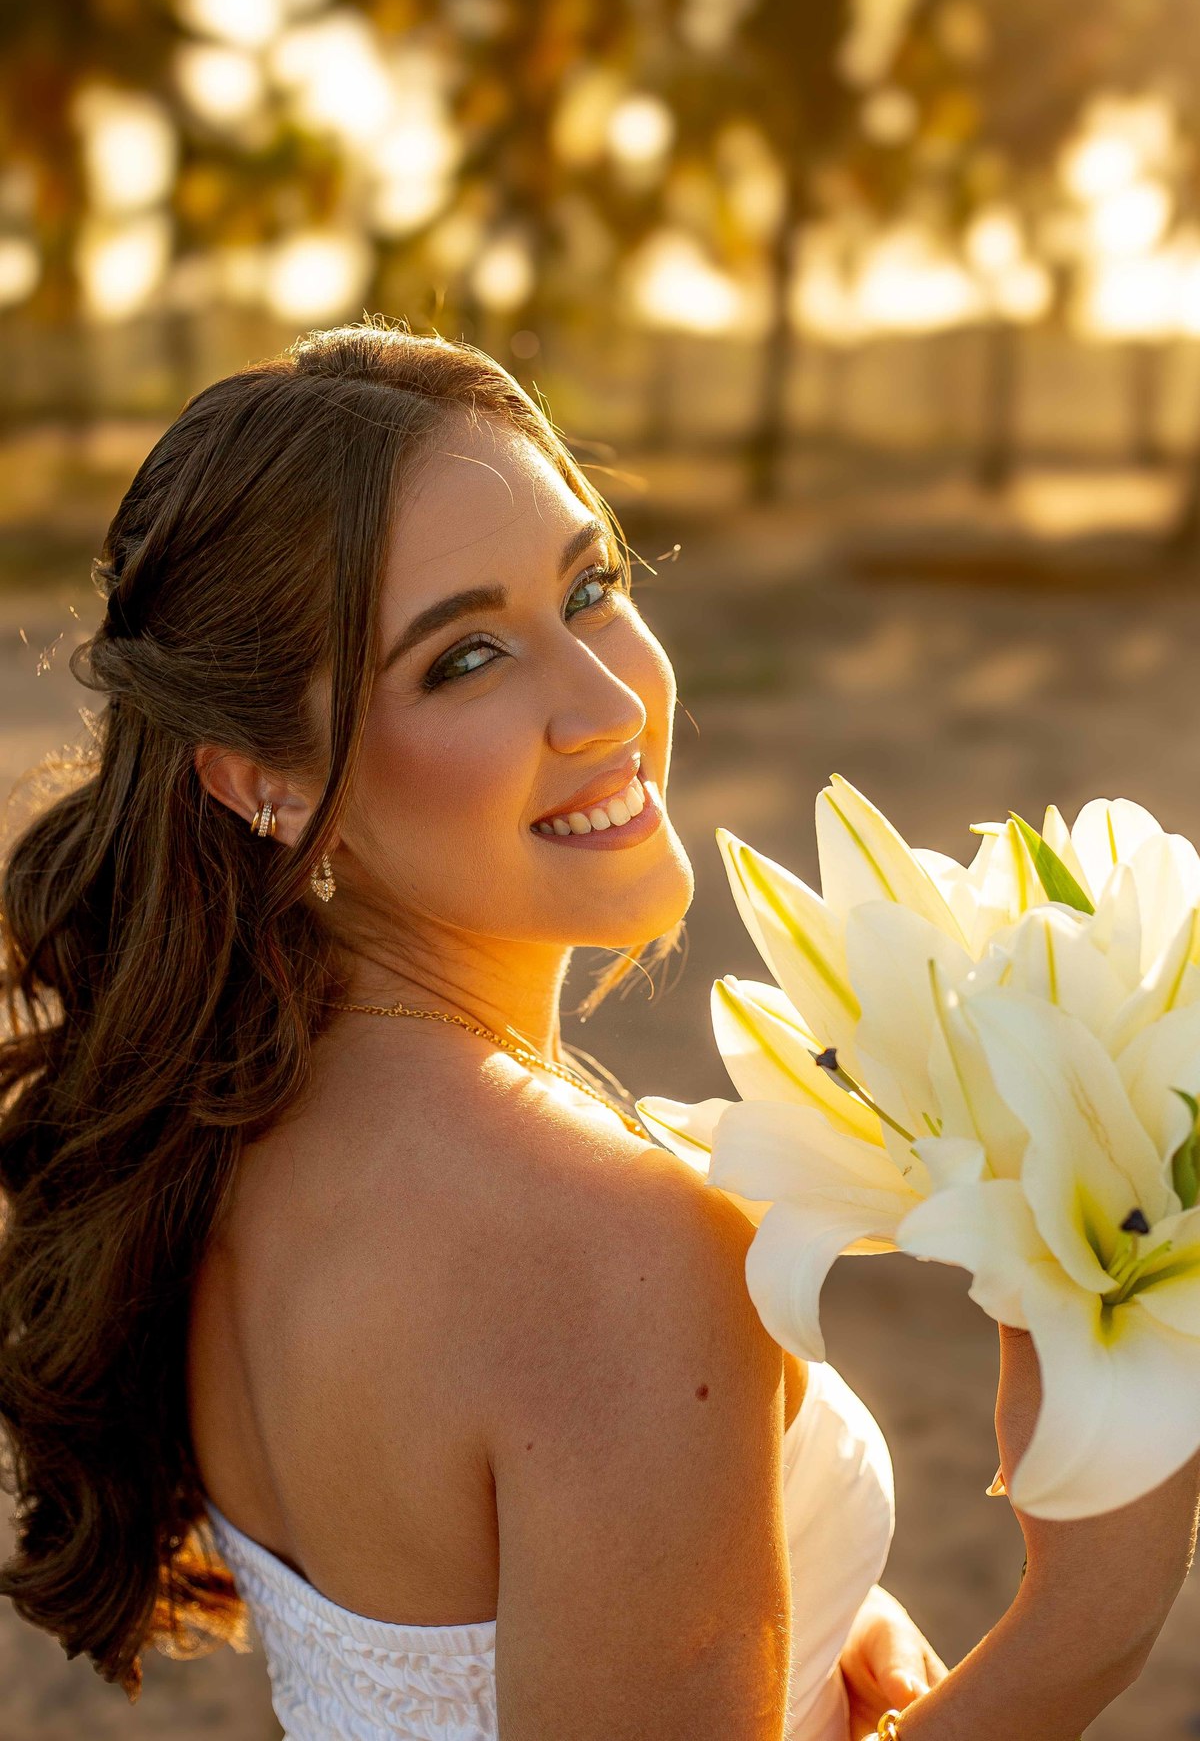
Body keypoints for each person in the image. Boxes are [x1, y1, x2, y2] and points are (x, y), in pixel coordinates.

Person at [0, 320, 1195, 1741]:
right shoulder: (627, 1247)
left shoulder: (223, 1127)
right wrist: (1082, 1625)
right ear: (261, 776)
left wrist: (797, 1618)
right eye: (465, 659)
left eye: (593, 586)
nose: (611, 700)